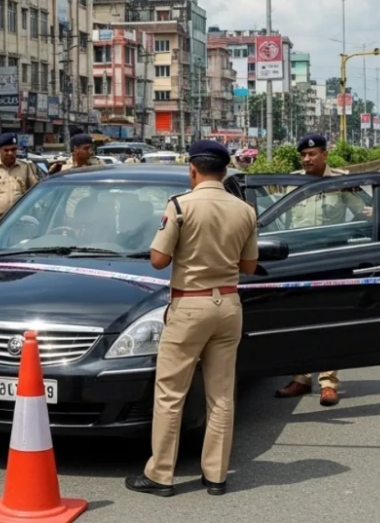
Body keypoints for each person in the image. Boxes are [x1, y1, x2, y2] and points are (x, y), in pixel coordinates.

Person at [125, 140, 258, 498]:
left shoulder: (180, 206)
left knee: (170, 394)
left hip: (190, 306)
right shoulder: (244, 210)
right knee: (222, 395)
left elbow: (157, 259)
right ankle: (215, 475)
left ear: (193, 170)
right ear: (225, 171)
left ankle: (161, 475)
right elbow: (248, 266)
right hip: (228, 305)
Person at [275, 134, 366, 407]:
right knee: (297, 320)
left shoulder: (341, 182)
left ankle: (328, 383)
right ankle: (300, 378)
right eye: (303, 155)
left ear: (325, 155)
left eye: (312, 154)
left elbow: (364, 213)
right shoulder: (292, 182)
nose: (306, 159)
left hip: (330, 260)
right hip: (298, 261)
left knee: (328, 321)